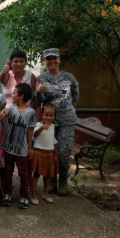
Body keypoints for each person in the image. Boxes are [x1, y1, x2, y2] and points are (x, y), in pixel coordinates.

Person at [35, 48, 79, 196]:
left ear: (59, 59)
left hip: (67, 119)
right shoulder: (41, 78)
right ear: (45, 61)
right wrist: (39, 92)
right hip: (49, 120)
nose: (52, 61)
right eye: (48, 59)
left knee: (64, 151)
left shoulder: (69, 78)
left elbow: (75, 96)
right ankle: (52, 180)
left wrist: (67, 109)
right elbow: (38, 101)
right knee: (50, 150)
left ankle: (63, 181)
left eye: (54, 58)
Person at [0, 83, 36, 209]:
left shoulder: (30, 112)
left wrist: (30, 148)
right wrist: (4, 112)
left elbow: (30, 131)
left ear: (21, 96)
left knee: (23, 174)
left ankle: (24, 196)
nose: (12, 95)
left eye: (14, 93)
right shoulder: (11, 106)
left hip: (22, 149)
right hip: (8, 147)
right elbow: (7, 109)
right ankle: (7, 193)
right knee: (7, 172)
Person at [30, 105, 58, 205]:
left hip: (49, 153)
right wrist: (42, 128)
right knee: (36, 174)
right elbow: (34, 136)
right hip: (39, 152)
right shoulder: (37, 125)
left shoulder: (53, 126)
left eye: (51, 115)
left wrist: (55, 149)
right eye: (46, 115)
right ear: (42, 115)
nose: (49, 117)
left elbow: (53, 139)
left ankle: (46, 194)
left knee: (47, 176)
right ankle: (33, 194)